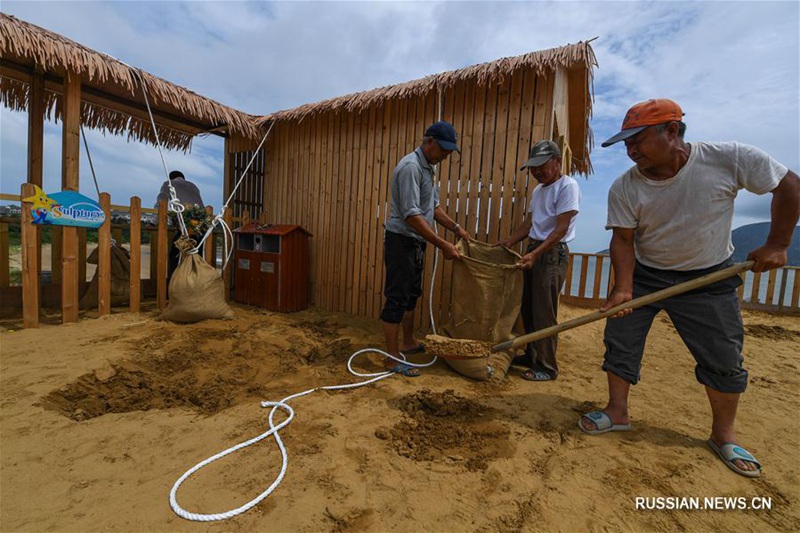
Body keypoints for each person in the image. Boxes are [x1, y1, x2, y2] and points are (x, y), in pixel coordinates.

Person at [577, 98, 800, 479]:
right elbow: (624, 241)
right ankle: (617, 412)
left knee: (723, 356)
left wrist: (778, 243)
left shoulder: (728, 158)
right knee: (621, 336)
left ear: (672, 131)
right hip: (647, 274)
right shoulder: (626, 187)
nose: (631, 151)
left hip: (707, 277)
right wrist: (624, 289)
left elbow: (789, 186)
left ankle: (722, 435)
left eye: (638, 140)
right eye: (626, 144)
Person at [381, 121, 470, 377]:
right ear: (428, 141)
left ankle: (407, 343)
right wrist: (442, 244)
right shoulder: (410, 167)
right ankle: (391, 357)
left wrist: (455, 228)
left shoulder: (428, 168)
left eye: (450, 151)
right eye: (443, 149)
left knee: (412, 295)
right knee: (397, 297)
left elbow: (433, 208)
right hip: (401, 240)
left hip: (416, 241)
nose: (446, 155)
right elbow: (411, 214)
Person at [495, 140, 580, 381]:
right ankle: (532, 354)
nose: (537, 172)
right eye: (533, 168)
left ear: (557, 162)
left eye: (541, 166)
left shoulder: (568, 186)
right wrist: (510, 240)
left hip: (552, 253)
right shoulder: (539, 190)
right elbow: (530, 223)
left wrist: (536, 253)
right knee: (529, 307)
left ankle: (547, 366)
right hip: (535, 250)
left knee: (544, 311)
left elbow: (561, 229)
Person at [155, 170, 205, 277]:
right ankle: (197, 283)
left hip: (184, 225)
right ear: (183, 177)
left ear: (171, 178)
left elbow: (161, 201)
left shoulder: (169, 183)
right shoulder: (193, 186)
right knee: (198, 256)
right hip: (201, 226)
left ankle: (175, 282)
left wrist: (155, 221)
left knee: (175, 255)